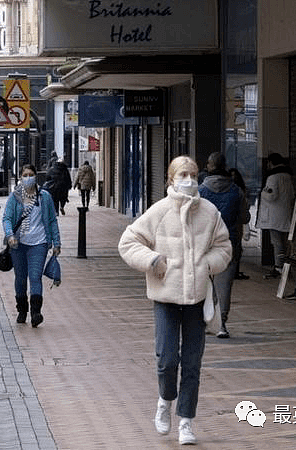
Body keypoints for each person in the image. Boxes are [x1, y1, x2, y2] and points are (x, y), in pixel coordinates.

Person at [118, 156, 231, 445]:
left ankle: (186, 421)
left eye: (193, 174)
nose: (190, 179)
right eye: (183, 174)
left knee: (192, 362)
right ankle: (165, 399)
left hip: (197, 299)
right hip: (166, 297)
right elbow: (128, 242)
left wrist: (207, 264)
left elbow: (224, 248)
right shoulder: (158, 212)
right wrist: (153, 259)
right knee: (168, 359)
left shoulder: (210, 212)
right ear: (171, 179)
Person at [2, 163, 61, 328]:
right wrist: (10, 235)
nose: (28, 178)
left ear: (35, 176)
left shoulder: (45, 197)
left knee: (35, 277)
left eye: (30, 174)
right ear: (20, 178)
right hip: (18, 244)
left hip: (39, 243)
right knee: (20, 278)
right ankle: (22, 309)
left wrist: (56, 242)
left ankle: (36, 313)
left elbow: (51, 220)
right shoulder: (15, 197)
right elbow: (6, 218)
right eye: (25, 175)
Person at [199, 153, 249, 338]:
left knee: (204, 283)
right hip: (229, 243)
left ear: (210, 166)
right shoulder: (237, 191)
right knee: (224, 285)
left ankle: (206, 321)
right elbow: (245, 217)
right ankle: (222, 323)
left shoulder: (200, 191)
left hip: (204, 244)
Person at [255, 153, 295, 278]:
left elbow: (271, 195)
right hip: (285, 213)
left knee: (277, 243)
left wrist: (262, 193)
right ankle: (282, 265)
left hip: (274, 216)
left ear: (271, 163)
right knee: (282, 242)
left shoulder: (273, 178)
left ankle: (279, 267)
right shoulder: (288, 176)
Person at [229, 167, 250, 280]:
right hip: (235, 224)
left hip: (236, 224)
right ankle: (233, 271)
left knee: (236, 249)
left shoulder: (238, 191)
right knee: (235, 249)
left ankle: (234, 271)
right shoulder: (238, 191)